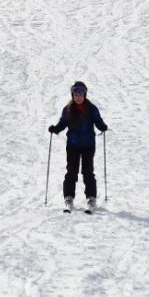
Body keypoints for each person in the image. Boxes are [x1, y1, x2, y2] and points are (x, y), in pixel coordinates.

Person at [48, 81, 108, 212]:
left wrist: (102, 126)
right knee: (71, 171)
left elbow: (98, 120)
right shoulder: (68, 109)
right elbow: (62, 123)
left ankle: (91, 198)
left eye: (81, 94)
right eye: (76, 94)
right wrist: (55, 129)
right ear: (73, 95)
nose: (78, 97)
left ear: (85, 94)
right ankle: (69, 197)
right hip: (73, 145)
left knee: (88, 172)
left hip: (88, 145)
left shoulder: (91, 108)